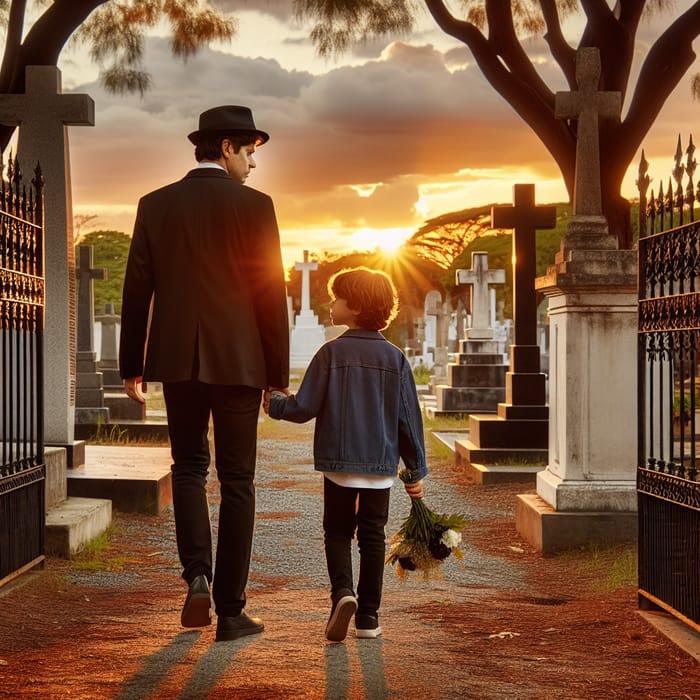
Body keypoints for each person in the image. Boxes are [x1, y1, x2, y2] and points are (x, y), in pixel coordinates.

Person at [119, 105, 290, 642]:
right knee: (238, 482)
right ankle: (231, 611)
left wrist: (132, 366)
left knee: (189, 468)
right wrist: (277, 375)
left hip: (177, 362)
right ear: (225, 148)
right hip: (240, 364)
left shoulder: (155, 204)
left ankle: (196, 576)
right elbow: (270, 292)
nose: (253, 165)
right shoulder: (257, 207)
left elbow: (136, 289)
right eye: (250, 152)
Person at [264, 267, 427, 642]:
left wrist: (274, 404)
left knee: (337, 531)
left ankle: (343, 593)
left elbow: (304, 407)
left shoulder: (330, 353)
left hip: (339, 464)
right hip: (381, 464)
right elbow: (408, 418)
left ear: (354, 306)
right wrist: (414, 470)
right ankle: (368, 616)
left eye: (336, 297)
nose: (330, 303)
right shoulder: (396, 358)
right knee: (373, 536)